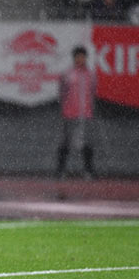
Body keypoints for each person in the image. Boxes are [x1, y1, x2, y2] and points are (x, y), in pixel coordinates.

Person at [56, 45, 98, 179]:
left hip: (85, 114)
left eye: (82, 57)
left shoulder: (90, 75)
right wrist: (64, 108)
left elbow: (93, 92)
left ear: (86, 58)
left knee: (86, 142)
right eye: (78, 57)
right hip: (69, 113)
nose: (80, 59)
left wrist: (89, 108)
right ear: (74, 58)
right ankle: (61, 171)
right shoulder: (67, 74)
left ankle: (88, 171)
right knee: (65, 142)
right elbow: (61, 92)